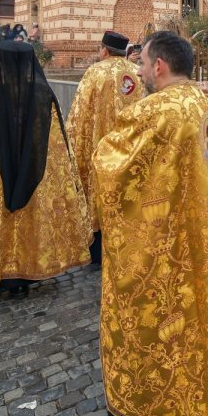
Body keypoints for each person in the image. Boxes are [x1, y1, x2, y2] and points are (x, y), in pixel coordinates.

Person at [94, 31, 208, 416]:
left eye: (142, 63)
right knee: (202, 321)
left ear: (159, 65)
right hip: (204, 234)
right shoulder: (205, 104)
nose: (139, 71)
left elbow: (111, 165)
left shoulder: (156, 112)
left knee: (165, 325)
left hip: (166, 242)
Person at [0, 41, 91, 296]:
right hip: (36, 178)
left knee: (1, 221)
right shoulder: (45, 97)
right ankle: (31, 268)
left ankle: (0, 272)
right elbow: (56, 146)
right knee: (31, 223)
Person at [65, 30, 142, 265]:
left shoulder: (95, 72)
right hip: (130, 147)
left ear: (104, 50)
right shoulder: (137, 73)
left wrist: (73, 140)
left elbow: (79, 112)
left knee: (98, 195)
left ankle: (98, 253)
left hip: (100, 147)